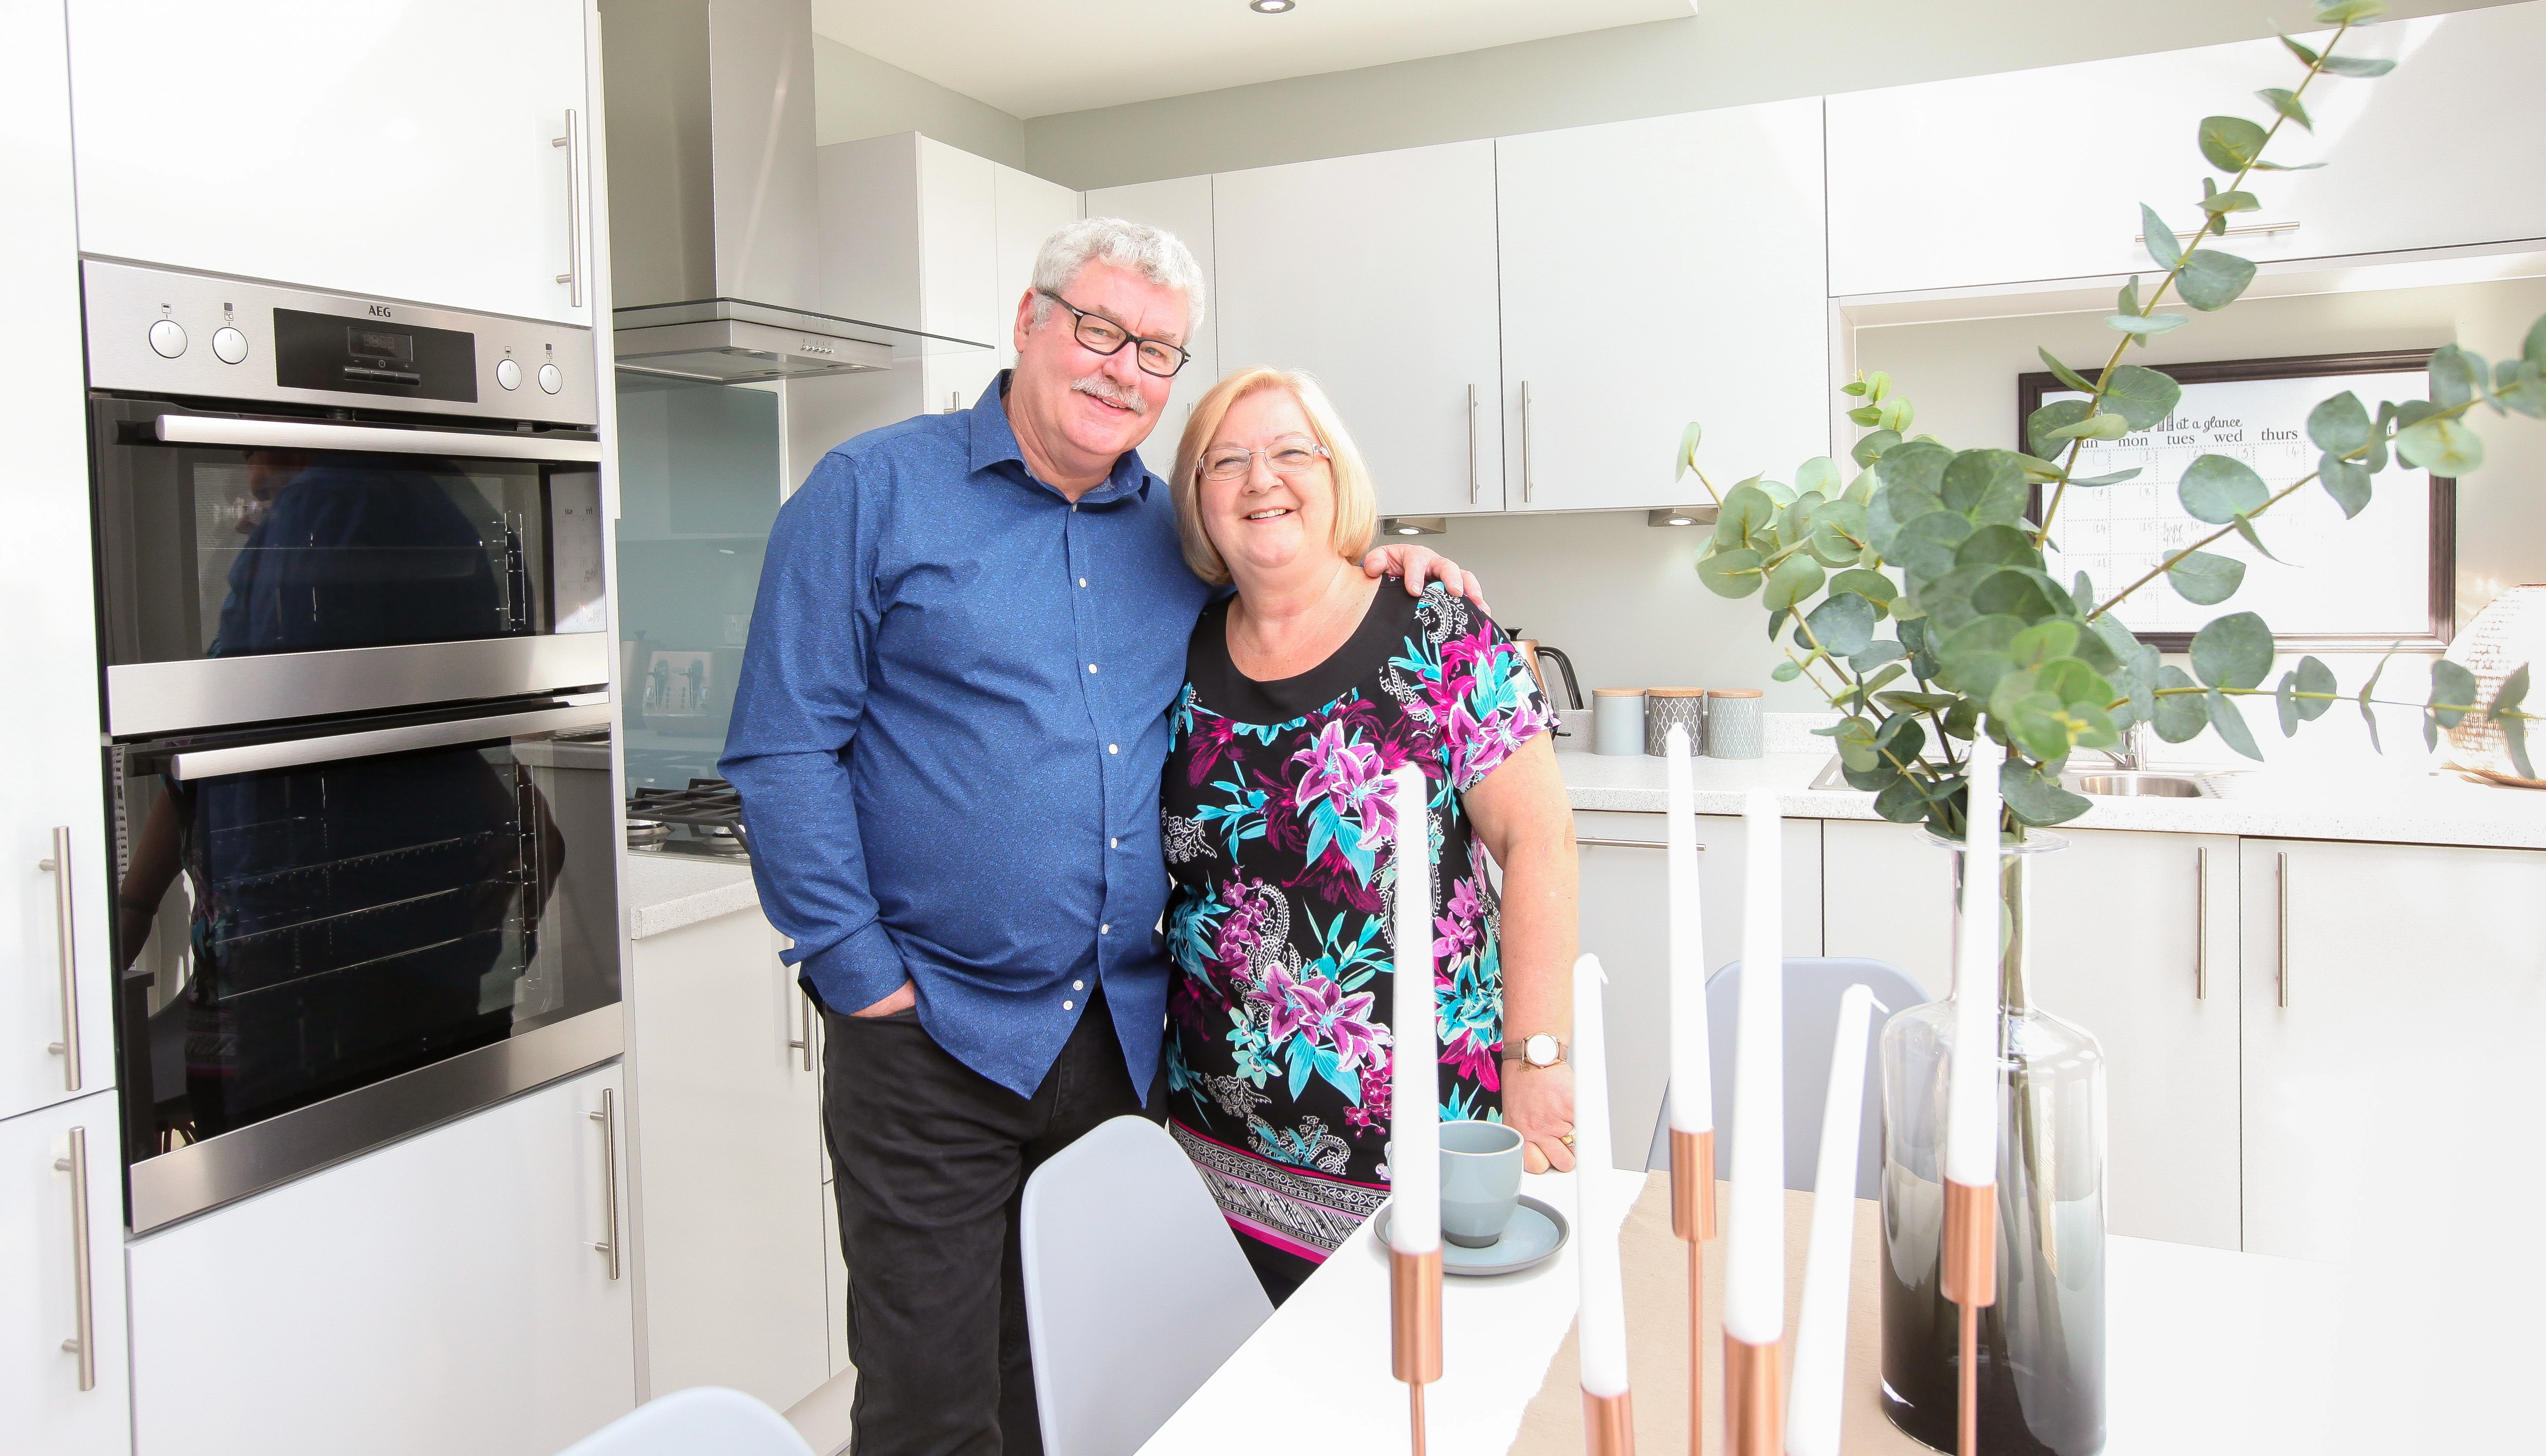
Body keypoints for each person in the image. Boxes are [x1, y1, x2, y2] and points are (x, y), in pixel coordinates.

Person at [719, 218, 1486, 1456]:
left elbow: (1298, 585)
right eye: (1099, 329)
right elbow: (782, 748)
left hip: (1126, 1044)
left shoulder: (1178, 535)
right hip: (932, 1037)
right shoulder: (870, 492)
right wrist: (861, 977)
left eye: (1158, 351)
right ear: (1029, 323)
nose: (1124, 368)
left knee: (1079, 1377)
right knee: (931, 1402)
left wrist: (1394, 561)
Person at [1157, 367, 1580, 1304]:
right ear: (1199, 506)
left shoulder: (1437, 625)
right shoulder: (1173, 649)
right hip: (1211, 1148)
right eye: (1226, 461)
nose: (1260, 478)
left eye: (1289, 451)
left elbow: (1540, 840)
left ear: (1336, 476)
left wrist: (1538, 1058)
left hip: (1423, 1144)